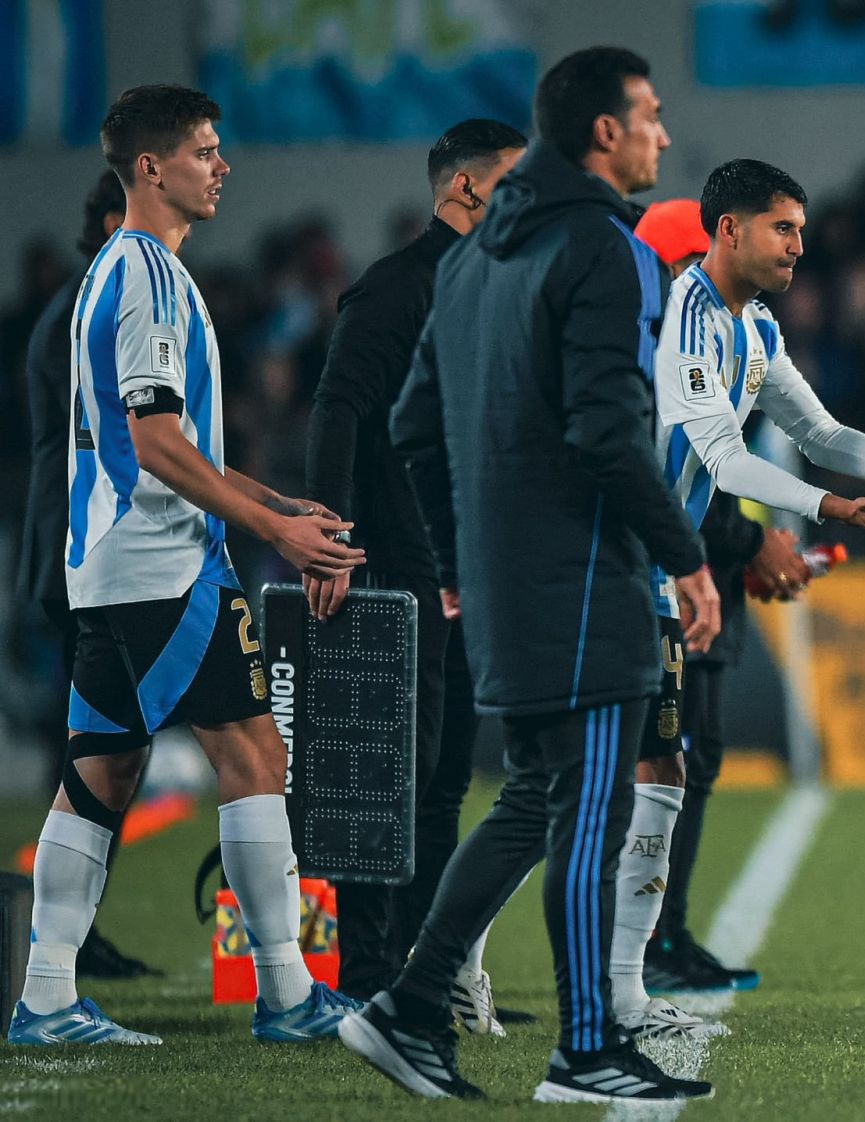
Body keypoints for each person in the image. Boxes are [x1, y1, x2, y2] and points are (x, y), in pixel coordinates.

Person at [337, 47, 719, 1103]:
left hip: (508, 586)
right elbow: (606, 433)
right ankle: (585, 1051)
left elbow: (414, 426)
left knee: (534, 799)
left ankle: (410, 1007)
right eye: (650, 115)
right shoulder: (602, 247)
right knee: (590, 814)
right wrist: (685, 557)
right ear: (604, 131)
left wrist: (461, 559)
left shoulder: (470, 260)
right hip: (585, 578)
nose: (663, 134)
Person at [7, 84, 366, 1047]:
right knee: (255, 755)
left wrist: (275, 504)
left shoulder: (113, 271)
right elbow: (158, 443)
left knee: (101, 770)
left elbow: (171, 444)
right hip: (165, 565)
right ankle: (288, 993)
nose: (222, 165)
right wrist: (272, 532)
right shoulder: (150, 278)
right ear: (151, 167)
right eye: (205, 150)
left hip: (110, 564)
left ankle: (46, 997)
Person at [625, 159, 865, 1016]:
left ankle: (624, 981)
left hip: (659, 573)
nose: (799, 246)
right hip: (611, 569)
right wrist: (835, 508)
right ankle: (493, 969)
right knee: (599, 781)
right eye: (783, 228)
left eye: (801, 229)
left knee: (661, 770)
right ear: (730, 231)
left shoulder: (754, 327)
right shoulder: (684, 318)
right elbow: (725, 459)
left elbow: (823, 433)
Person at [302, 118, 527, 1019]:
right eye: (513, 181)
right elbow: (337, 409)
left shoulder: (503, 285)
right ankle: (366, 971)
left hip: (479, 573)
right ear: (465, 188)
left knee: (444, 783)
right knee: (387, 779)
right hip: (400, 571)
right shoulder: (396, 288)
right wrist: (330, 536)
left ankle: (422, 973)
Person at [631, 198, 804, 994]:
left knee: (680, 765)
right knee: (658, 767)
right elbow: (677, 476)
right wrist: (752, 543)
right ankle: (647, 943)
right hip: (665, 586)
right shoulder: (664, 347)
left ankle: (661, 936)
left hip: (698, 580)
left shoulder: (720, 337)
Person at [14, 170, 158, 981]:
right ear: (112, 221)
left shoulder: (75, 304)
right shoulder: (89, 306)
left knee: (102, 746)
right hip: (83, 551)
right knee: (97, 749)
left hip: (73, 547)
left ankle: (70, 931)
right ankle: (58, 936)